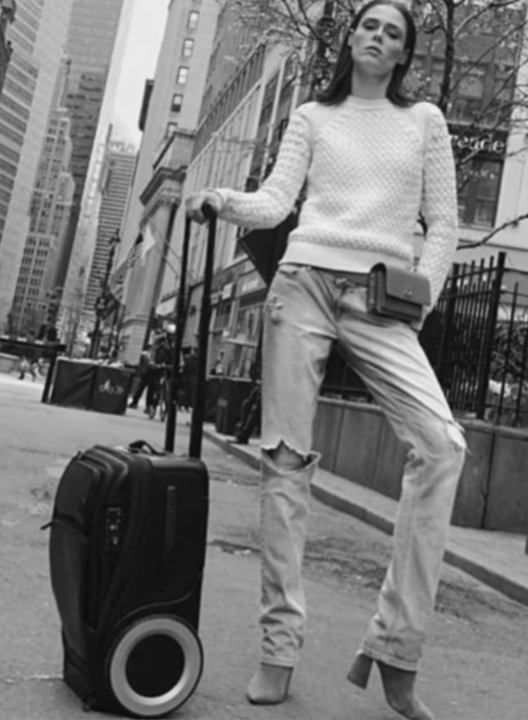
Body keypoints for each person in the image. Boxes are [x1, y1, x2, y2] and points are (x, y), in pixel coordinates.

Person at [186, 3, 466, 718]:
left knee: (441, 447)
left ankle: (395, 648)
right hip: (303, 284)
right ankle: (279, 646)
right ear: (351, 38)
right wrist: (223, 199)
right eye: (369, 26)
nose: (378, 37)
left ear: (404, 56)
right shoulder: (313, 116)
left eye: (394, 34)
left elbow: (444, 225)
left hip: (380, 299)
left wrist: (421, 296)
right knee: (284, 463)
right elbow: (280, 202)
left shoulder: (424, 122)